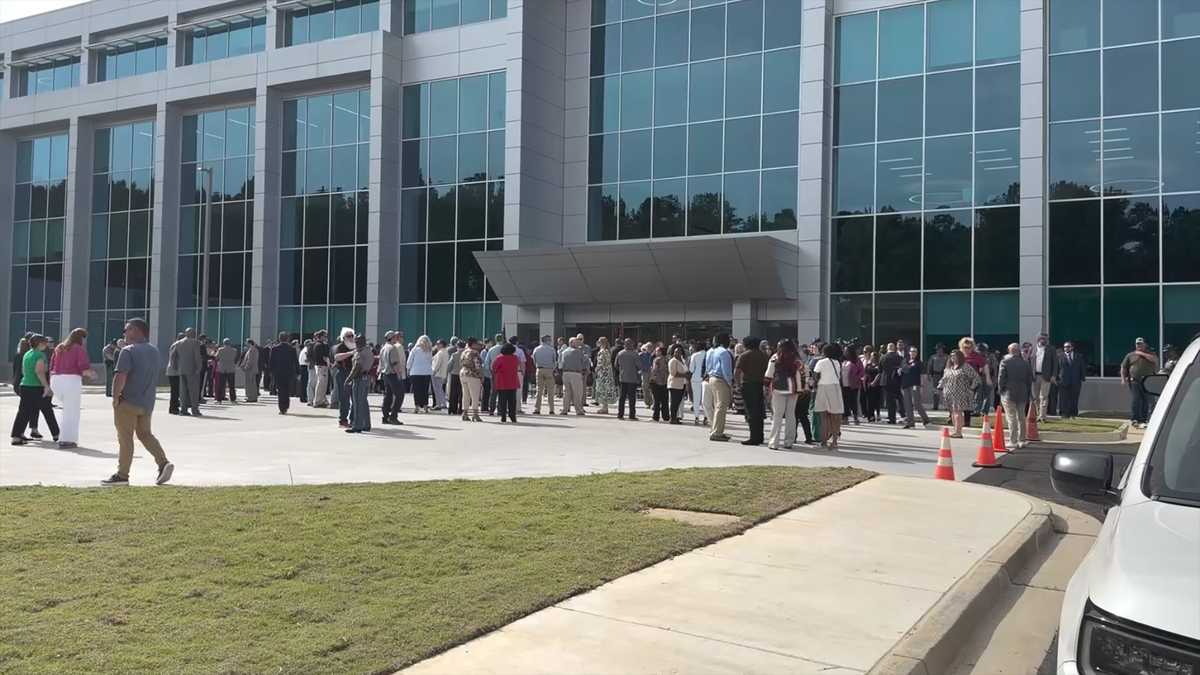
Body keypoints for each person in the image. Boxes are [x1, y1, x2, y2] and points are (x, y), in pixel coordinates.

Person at [99, 319, 174, 486]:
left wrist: (115, 396)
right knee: (145, 434)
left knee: (125, 438)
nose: (124, 333)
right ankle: (163, 463)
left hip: (127, 402)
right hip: (146, 403)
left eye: (126, 329)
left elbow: (120, 376)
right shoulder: (154, 351)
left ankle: (122, 475)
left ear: (136, 330)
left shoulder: (128, 351)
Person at [10, 335, 61, 445]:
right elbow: (40, 372)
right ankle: (56, 434)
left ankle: (16, 436)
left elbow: (24, 371)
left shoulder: (27, 354)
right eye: (44, 342)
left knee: (23, 412)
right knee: (47, 410)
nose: (46, 344)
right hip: (36, 387)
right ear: (40, 344)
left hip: (25, 385)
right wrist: (46, 386)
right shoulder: (40, 355)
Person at [49, 328, 95, 449]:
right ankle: (67, 440)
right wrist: (92, 374)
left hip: (56, 380)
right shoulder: (79, 349)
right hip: (71, 380)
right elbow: (83, 367)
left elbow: (52, 365)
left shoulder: (59, 347)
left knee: (66, 410)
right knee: (72, 412)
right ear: (81, 338)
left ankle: (62, 436)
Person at [766, 339, 801, 450]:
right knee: (791, 415)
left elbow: (769, 374)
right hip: (793, 389)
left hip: (778, 388)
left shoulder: (775, 357)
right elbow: (803, 373)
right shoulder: (797, 359)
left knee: (777, 416)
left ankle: (774, 442)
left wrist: (766, 388)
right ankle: (789, 442)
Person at [939, 350, 980, 438]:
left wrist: (972, 388)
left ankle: (959, 432)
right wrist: (939, 386)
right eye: (951, 356)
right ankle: (955, 431)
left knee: (958, 412)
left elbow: (976, 378)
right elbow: (944, 379)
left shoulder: (965, 367)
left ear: (960, 357)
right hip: (949, 393)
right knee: (953, 412)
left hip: (961, 393)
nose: (953, 358)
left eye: (955, 356)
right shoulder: (949, 367)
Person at [998, 343, 1033, 448]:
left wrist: (1000, 390)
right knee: (1021, 417)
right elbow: (1029, 379)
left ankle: (1013, 441)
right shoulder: (1025, 363)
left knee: (1011, 417)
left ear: (1010, 350)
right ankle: (1022, 440)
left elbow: (1001, 378)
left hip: (1009, 392)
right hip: (1022, 392)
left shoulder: (1005, 361)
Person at [735, 336, 768, 445]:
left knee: (750, 412)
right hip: (760, 385)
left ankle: (753, 437)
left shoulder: (744, 355)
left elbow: (737, 371)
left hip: (748, 385)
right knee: (759, 411)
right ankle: (760, 436)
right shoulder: (764, 356)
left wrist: (738, 385)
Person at [1120, 337, 1158, 428]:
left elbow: (1154, 360)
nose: (1139, 345)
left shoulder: (1151, 354)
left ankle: (1144, 419)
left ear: (1145, 344)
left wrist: (1141, 353)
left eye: (1141, 344)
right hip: (1134, 381)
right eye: (1137, 344)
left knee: (1146, 400)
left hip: (1147, 381)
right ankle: (1135, 419)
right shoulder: (1130, 355)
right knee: (1136, 400)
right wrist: (1123, 379)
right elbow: (1123, 367)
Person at [812, 344, 844, 449]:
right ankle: (834, 441)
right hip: (835, 388)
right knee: (835, 417)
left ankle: (823, 441)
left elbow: (815, 375)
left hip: (823, 387)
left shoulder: (820, 362)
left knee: (823, 417)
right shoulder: (837, 363)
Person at [704, 334, 734, 442]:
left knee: (717, 406)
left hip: (712, 378)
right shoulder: (724, 353)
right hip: (721, 380)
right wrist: (730, 383)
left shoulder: (711, 351)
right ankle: (717, 432)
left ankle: (715, 429)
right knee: (721, 407)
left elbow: (707, 367)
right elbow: (726, 370)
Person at [174, 328, 205, 417]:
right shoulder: (195, 342)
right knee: (194, 391)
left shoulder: (178, 343)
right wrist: (199, 367)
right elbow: (197, 356)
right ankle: (195, 410)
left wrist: (176, 367)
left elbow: (174, 356)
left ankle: (183, 409)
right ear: (192, 333)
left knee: (183, 390)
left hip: (182, 369)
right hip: (192, 369)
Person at [346, 335, 373, 433]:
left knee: (357, 402)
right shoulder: (368, 351)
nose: (355, 343)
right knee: (364, 402)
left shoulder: (360, 352)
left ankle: (357, 425)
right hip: (366, 377)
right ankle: (366, 424)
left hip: (359, 378)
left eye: (356, 342)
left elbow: (357, 367)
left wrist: (349, 379)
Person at [1030, 333, 1059, 423]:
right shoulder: (1033, 349)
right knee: (1036, 397)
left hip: (1046, 376)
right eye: (1042, 338)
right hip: (1035, 376)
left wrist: (1053, 376)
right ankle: (1038, 414)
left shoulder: (1051, 349)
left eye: (1045, 339)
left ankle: (1042, 416)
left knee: (1044, 396)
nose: (1044, 340)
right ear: (1038, 339)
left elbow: (1055, 364)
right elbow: (1030, 362)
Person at [269, 332, 299, 415]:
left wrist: (271, 371)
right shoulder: (292, 349)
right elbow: (295, 361)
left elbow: (271, 361)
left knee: (280, 390)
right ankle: (286, 406)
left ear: (279, 338)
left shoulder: (274, 349)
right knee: (287, 389)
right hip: (289, 372)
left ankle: (281, 408)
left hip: (278, 372)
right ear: (287, 339)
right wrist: (297, 372)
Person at [900, 345, 930, 429]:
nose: (913, 353)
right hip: (905, 384)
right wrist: (908, 367)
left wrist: (922, 385)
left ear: (917, 353)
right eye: (911, 351)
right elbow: (904, 369)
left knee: (917, 403)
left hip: (915, 385)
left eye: (915, 351)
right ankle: (910, 423)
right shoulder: (904, 361)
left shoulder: (919, 362)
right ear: (909, 352)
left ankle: (926, 420)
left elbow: (920, 374)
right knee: (907, 404)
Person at [558, 337, 590, 415]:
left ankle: (565, 409)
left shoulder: (564, 352)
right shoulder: (578, 352)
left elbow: (560, 364)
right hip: (576, 374)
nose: (578, 343)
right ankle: (578, 410)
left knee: (566, 393)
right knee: (577, 393)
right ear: (571, 343)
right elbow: (584, 361)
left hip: (565, 374)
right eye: (576, 342)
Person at [379, 332, 405, 425]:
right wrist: (399, 374)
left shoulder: (383, 348)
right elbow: (395, 363)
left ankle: (385, 416)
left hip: (385, 374)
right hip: (392, 374)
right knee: (400, 395)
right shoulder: (392, 348)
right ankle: (393, 416)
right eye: (395, 337)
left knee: (388, 396)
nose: (397, 339)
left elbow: (381, 362)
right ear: (392, 338)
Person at [491, 342, 521, 423]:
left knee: (502, 400)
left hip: (502, 381)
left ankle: (503, 416)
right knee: (512, 401)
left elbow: (493, 368)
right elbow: (517, 365)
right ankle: (513, 416)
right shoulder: (515, 358)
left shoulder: (499, 358)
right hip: (512, 381)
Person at [1057, 341, 1087, 419]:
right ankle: (1064, 413)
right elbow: (1057, 368)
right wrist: (1056, 378)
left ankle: (1073, 413)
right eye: (1065, 347)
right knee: (1064, 398)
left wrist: (1082, 377)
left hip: (1075, 381)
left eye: (1068, 346)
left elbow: (1082, 367)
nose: (1066, 348)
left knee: (1074, 398)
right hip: (1063, 381)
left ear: (1072, 347)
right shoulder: (1060, 356)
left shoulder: (1079, 356)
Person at [615, 338, 643, 420]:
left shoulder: (620, 353)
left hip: (622, 378)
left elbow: (616, 365)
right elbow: (639, 366)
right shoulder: (635, 354)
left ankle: (620, 414)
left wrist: (621, 370)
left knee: (622, 397)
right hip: (632, 378)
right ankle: (632, 415)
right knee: (632, 398)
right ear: (631, 344)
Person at [407, 335, 435, 413]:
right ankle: (425, 407)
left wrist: (408, 369)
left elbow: (409, 361)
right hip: (426, 372)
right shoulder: (429, 350)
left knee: (416, 391)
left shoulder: (415, 350)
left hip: (415, 372)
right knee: (425, 390)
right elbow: (430, 361)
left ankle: (417, 407)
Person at [459, 338, 485, 422]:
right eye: (477, 344)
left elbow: (461, 362)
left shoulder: (464, 352)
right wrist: (481, 376)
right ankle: (475, 414)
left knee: (465, 394)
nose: (478, 345)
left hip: (463, 373)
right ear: (473, 344)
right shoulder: (474, 353)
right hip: (473, 375)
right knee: (475, 395)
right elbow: (478, 366)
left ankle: (465, 413)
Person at [531, 335, 558, 415]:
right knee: (550, 390)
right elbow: (555, 361)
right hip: (549, 370)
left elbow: (534, 360)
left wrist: (537, 366)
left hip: (539, 369)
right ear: (547, 340)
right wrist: (552, 368)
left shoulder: (536, 349)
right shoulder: (551, 349)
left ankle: (537, 409)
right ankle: (551, 409)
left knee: (539, 390)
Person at [878, 343, 903, 424]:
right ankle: (902, 413)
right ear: (894, 348)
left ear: (887, 348)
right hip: (896, 380)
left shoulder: (883, 357)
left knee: (889, 400)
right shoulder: (899, 357)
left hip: (886, 381)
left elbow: (880, 370)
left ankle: (892, 418)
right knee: (899, 398)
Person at [667, 344, 689, 425]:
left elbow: (685, 370)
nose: (678, 353)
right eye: (676, 352)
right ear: (673, 352)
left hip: (682, 384)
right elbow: (673, 373)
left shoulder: (682, 360)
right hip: (674, 384)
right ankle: (672, 418)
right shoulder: (673, 361)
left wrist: (688, 374)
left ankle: (676, 417)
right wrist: (685, 375)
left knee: (678, 402)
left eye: (680, 351)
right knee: (674, 402)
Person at [841, 344, 863, 425]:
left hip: (853, 385)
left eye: (846, 350)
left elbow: (862, 372)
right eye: (844, 350)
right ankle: (845, 418)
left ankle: (855, 417)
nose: (845, 351)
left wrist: (856, 378)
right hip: (843, 384)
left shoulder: (857, 360)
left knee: (853, 401)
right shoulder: (842, 360)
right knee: (845, 402)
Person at [309, 330, 331, 407]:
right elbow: (324, 356)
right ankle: (318, 401)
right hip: (321, 366)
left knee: (323, 384)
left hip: (320, 366)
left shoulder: (318, 344)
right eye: (325, 336)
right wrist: (329, 363)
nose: (326, 337)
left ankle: (321, 400)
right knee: (321, 384)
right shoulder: (319, 345)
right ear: (321, 336)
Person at [649, 345, 671, 422]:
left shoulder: (656, 360)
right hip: (665, 382)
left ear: (660, 352)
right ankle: (666, 416)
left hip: (656, 382)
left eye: (657, 350)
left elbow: (654, 370)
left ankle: (656, 416)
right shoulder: (667, 359)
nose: (656, 352)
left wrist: (652, 379)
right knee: (665, 400)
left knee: (656, 400)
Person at [214, 338, 239, 403]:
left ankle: (219, 400)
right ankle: (233, 399)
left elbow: (216, 357)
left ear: (223, 343)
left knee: (221, 385)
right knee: (231, 385)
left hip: (222, 369)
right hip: (231, 369)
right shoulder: (234, 350)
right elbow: (235, 358)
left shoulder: (220, 350)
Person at [165, 332, 183, 414]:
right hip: (173, 371)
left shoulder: (179, 345)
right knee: (175, 391)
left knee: (177, 390)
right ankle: (173, 408)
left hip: (176, 371)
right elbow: (173, 357)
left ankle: (175, 406)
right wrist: (175, 368)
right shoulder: (176, 345)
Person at [862, 350, 882, 423]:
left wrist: (874, 382)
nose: (872, 357)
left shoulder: (879, 365)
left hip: (876, 385)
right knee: (869, 401)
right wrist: (864, 383)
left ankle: (877, 414)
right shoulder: (868, 365)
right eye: (871, 356)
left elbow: (879, 374)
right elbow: (865, 374)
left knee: (876, 401)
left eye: (874, 356)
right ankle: (870, 416)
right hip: (868, 384)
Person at [431, 340, 450, 411]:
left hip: (436, 373)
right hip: (441, 373)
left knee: (437, 389)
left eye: (438, 344)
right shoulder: (446, 352)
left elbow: (437, 363)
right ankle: (441, 403)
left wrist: (434, 371)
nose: (437, 345)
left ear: (442, 345)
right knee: (440, 389)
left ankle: (440, 404)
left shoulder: (440, 353)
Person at [447, 340, 464, 415]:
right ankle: (461, 409)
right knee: (462, 393)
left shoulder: (454, 355)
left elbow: (449, 365)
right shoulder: (465, 354)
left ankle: (452, 409)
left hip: (454, 374)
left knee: (453, 393)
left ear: (457, 346)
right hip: (463, 375)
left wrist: (448, 371)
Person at [928, 344, 947, 410]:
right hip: (935, 375)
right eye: (938, 349)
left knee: (945, 391)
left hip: (944, 375)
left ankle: (946, 406)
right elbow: (930, 366)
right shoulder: (933, 357)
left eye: (940, 348)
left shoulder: (946, 357)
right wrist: (929, 375)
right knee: (936, 391)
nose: (939, 350)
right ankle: (935, 406)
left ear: (943, 349)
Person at [298, 339, 310, 403]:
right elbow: (306, 360)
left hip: (303, 367)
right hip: (304, 367)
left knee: (303, 383)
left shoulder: (303, 350)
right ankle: (303, 397)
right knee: (305, 383)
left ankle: (303, 397)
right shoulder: (306, 350)